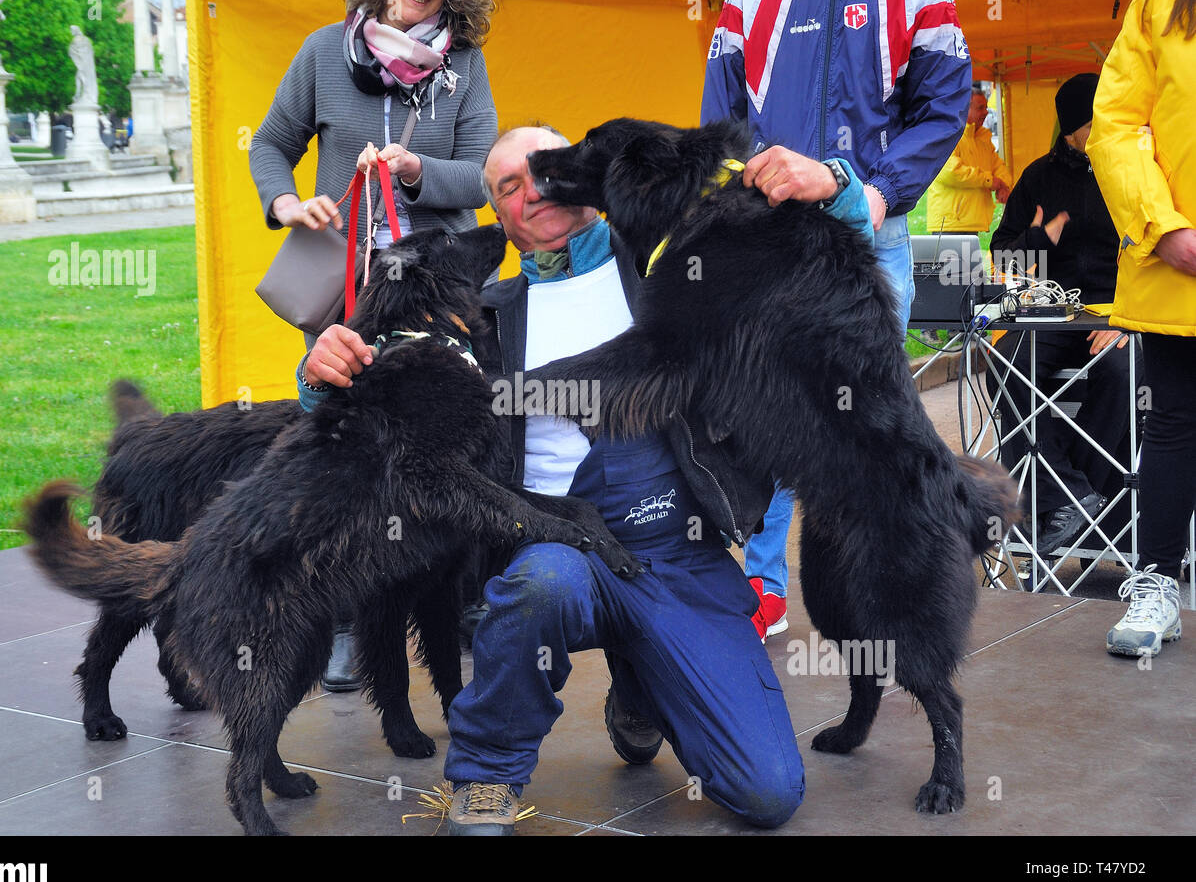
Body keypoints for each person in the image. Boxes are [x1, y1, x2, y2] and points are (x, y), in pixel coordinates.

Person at [297, 124, 876, 834]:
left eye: (546, 170)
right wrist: (320, 372)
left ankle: (643, 687)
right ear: (499, 217)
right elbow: (379, 388)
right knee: (542, 584)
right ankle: (487, 776)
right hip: (556, 545)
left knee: (767, 796)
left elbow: (807, 250)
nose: (532, 189)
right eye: (509, 185)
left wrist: (835, 186)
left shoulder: (670, 263)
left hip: (681, 555)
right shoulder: (482, 316)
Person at [701, 0, 972, 638]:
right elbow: (721, 123)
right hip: (772, 240)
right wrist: (750, 197)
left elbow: (943, 106)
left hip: (870, 237)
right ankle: (764, 587)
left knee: (863, 434)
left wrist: (875, 195)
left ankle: (885, 594)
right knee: (765, 422)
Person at [251, 0, 498, 689]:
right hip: (348, 293)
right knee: (345, 450)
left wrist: (417, 168)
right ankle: (343, 618)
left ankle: (462, 603)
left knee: (452, 438)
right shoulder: (324, 52)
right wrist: (288, 203)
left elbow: (483, 176)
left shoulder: (466, 66)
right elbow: (268, 145)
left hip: (439, 291)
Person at [1087, 0, 1196, 658]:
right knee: (1174, 422)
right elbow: (1117, 126)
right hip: (1181, 267)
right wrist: (1164, 228)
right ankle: (1158, 583)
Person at [985, 73, 1134, 560]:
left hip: (1119, 313)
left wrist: (1127, 321)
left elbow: (1152, 252)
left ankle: (1070, 496)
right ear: (1073, 128)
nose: (1107, 127)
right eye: (1096, 121)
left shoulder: (1130, 169)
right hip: (1054, 309)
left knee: (1121, 374)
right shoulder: (1039, 177)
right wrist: (1039, 239)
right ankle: (1069, 494)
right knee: (1004, 367)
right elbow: (1004, 257)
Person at [927, 85, 1012, 234]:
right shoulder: (948, 135)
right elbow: (950, 172)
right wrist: (990, 181)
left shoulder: (982, 138)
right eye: (980, 108)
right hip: (949, 225)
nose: (986, 112)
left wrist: (1004, 185)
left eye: (986, 108)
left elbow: (998, 166)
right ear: (965, 108)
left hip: (969, 222)